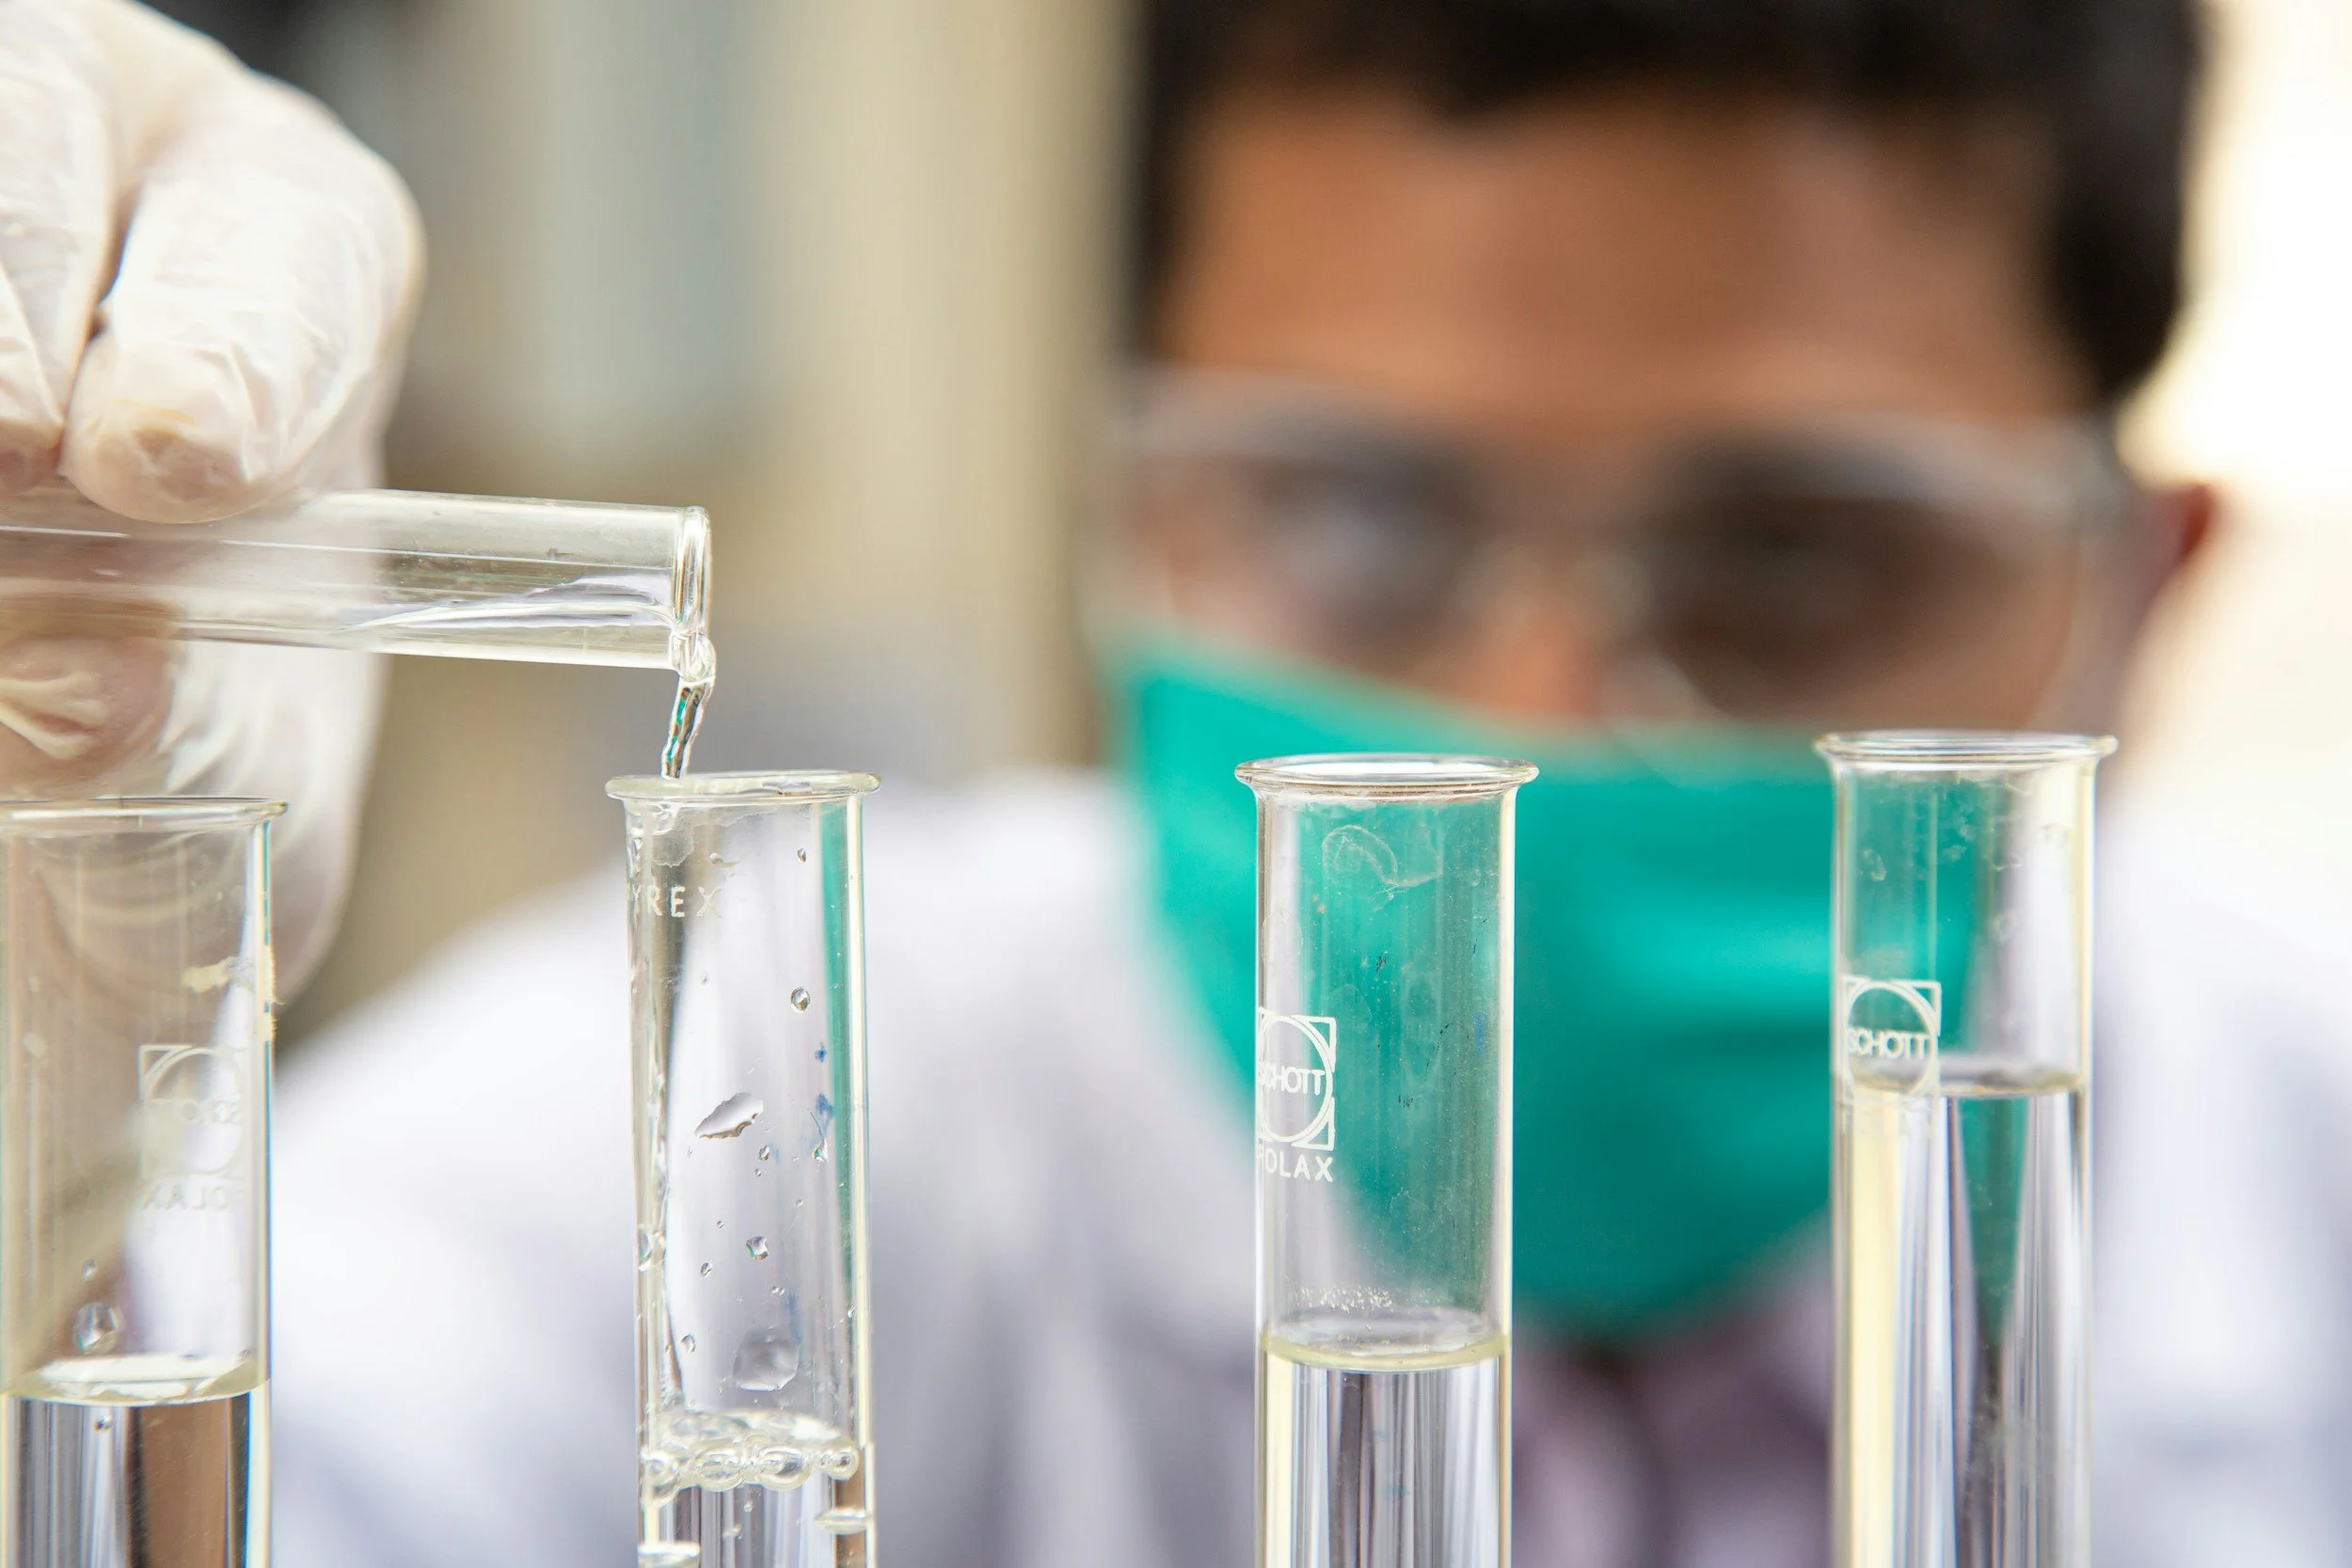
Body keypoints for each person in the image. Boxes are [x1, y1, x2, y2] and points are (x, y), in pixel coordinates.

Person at [10, 1, 2352, 1565]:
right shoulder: (785, 1082)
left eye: (1784, 561)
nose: (1527, 710)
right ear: (1127, 512)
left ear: (2135, 591)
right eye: (1350, 519)